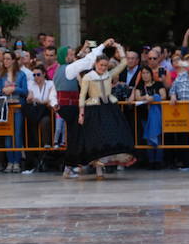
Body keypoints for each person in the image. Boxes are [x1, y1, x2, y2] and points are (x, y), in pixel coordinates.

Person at [76, 45, 136, 179]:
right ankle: (98, 171)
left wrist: (120, 49)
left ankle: (110, 162)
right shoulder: (88, 77)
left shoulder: (109, 75)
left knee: (113, 135)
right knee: (96, 139)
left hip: (109, 108)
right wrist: (81, 112)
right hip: (94, 109)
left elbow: (124, 63)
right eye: (101, 65)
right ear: (96, 64)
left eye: (105, 65)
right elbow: (82, 95)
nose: (103, 68)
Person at [54, 40, 111, 178]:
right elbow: (87, 60)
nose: (72, 55)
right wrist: (103, 45)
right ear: (64, 56)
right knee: (77, 137)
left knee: (77, 136)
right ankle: (71, 167)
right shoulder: (69, 69)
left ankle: (72, 167)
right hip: (73, 107)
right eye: (69, 54)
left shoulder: (60, 70)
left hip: (69, 107)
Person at [0, 51, 28, 173]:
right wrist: (3, 90)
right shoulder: (1, 75)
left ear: (14, 60)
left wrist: (14, 88)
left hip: (17, 107)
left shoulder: (21, 75)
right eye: (4, 59)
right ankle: (10, 161)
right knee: (8, 135)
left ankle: (17, 161)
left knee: (17, 134)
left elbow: (25, 91)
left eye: (8, 59)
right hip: (5, 107)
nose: (6, 61)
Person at [23, 66, 57, 173]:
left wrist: (40, 101)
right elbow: (30, 97)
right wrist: (32, 99)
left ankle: (46, 144)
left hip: (46, 111)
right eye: (34, 75)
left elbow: (51, 98)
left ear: (44, 74)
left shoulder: (50, 84)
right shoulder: (30, 85)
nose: (36, 77)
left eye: (38, 74)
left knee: (45, 121)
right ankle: (39, 149)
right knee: (32, 125)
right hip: (35, 112)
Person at [133, 66, 167, 168]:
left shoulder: (158, 84)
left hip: (158, 115)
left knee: (158, 137)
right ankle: (151, 161)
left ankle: (159, 161)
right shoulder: (139, 86)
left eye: (147, 73)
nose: (145, 75)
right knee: (149, 138)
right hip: (145, 115)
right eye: (143, 73)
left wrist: (153, 98)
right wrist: (145, 98)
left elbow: (163, 96)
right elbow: (137, 97)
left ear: (151, 74)